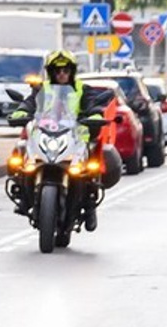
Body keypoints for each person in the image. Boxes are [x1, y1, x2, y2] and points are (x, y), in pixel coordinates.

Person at [6, 48, 111, 217]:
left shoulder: (82, 89)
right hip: (45, 134)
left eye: (66, 70)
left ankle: (90, 205)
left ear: (72, 71)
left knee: (91, 167)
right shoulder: (43, 89)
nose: (62, 74)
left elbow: (93, 104)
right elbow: (30, 102)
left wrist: (95, 114)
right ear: (51, 72)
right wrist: (21, 112)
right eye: (57, 70)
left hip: (75, 137)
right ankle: (23, 198)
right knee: (19, 158)